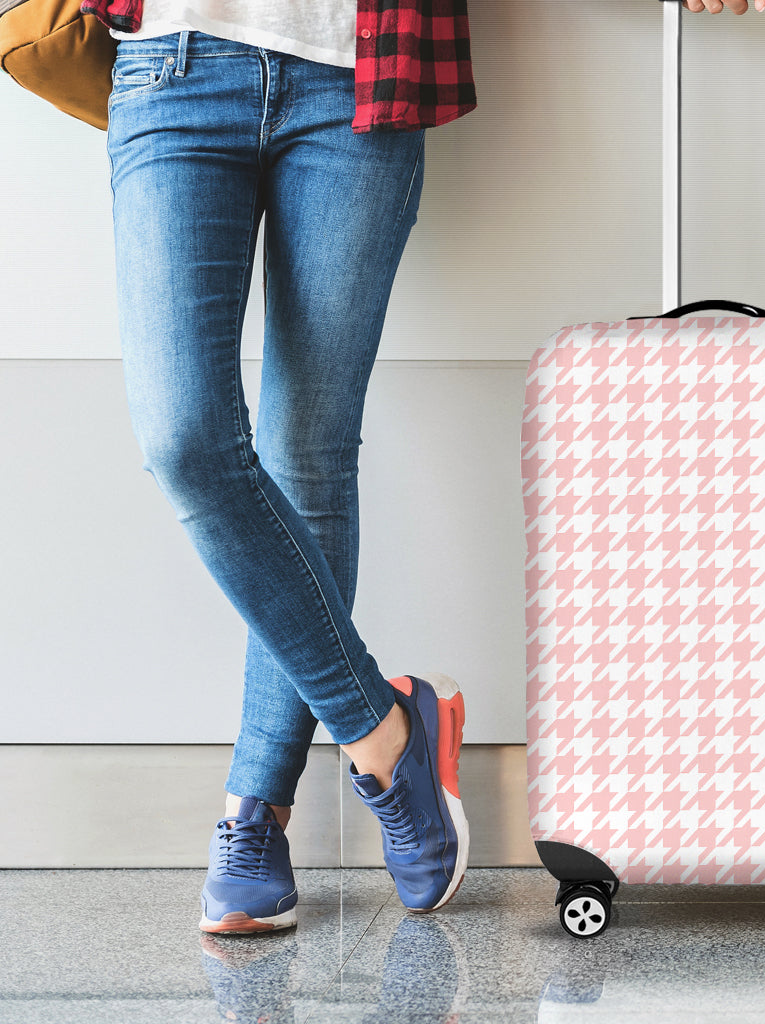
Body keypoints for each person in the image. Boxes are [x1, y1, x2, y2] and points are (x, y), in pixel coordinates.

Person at [85, 0, 476, 933]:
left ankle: (255, 814)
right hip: (173, 69)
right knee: (184, 441)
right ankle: (385, 730)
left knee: (307, 456)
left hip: (358, 78)